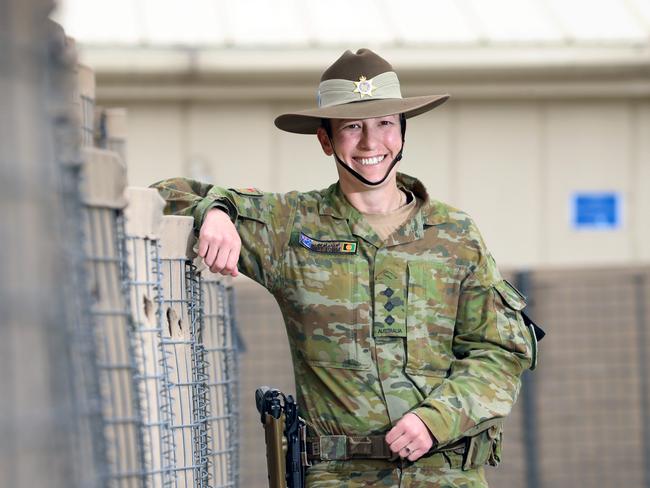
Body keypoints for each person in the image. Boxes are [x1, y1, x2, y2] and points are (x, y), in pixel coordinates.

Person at [153, 48, 537, 487]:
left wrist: (438, 419)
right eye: (353, 127)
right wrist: (216, 212)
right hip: (339, 478)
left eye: (384, 124)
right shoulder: (293, 229)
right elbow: (167, 193)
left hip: (447, 476)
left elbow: (500, 353)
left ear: (403, 133)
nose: (371, 144)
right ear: (325, 140)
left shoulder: (455, 235)